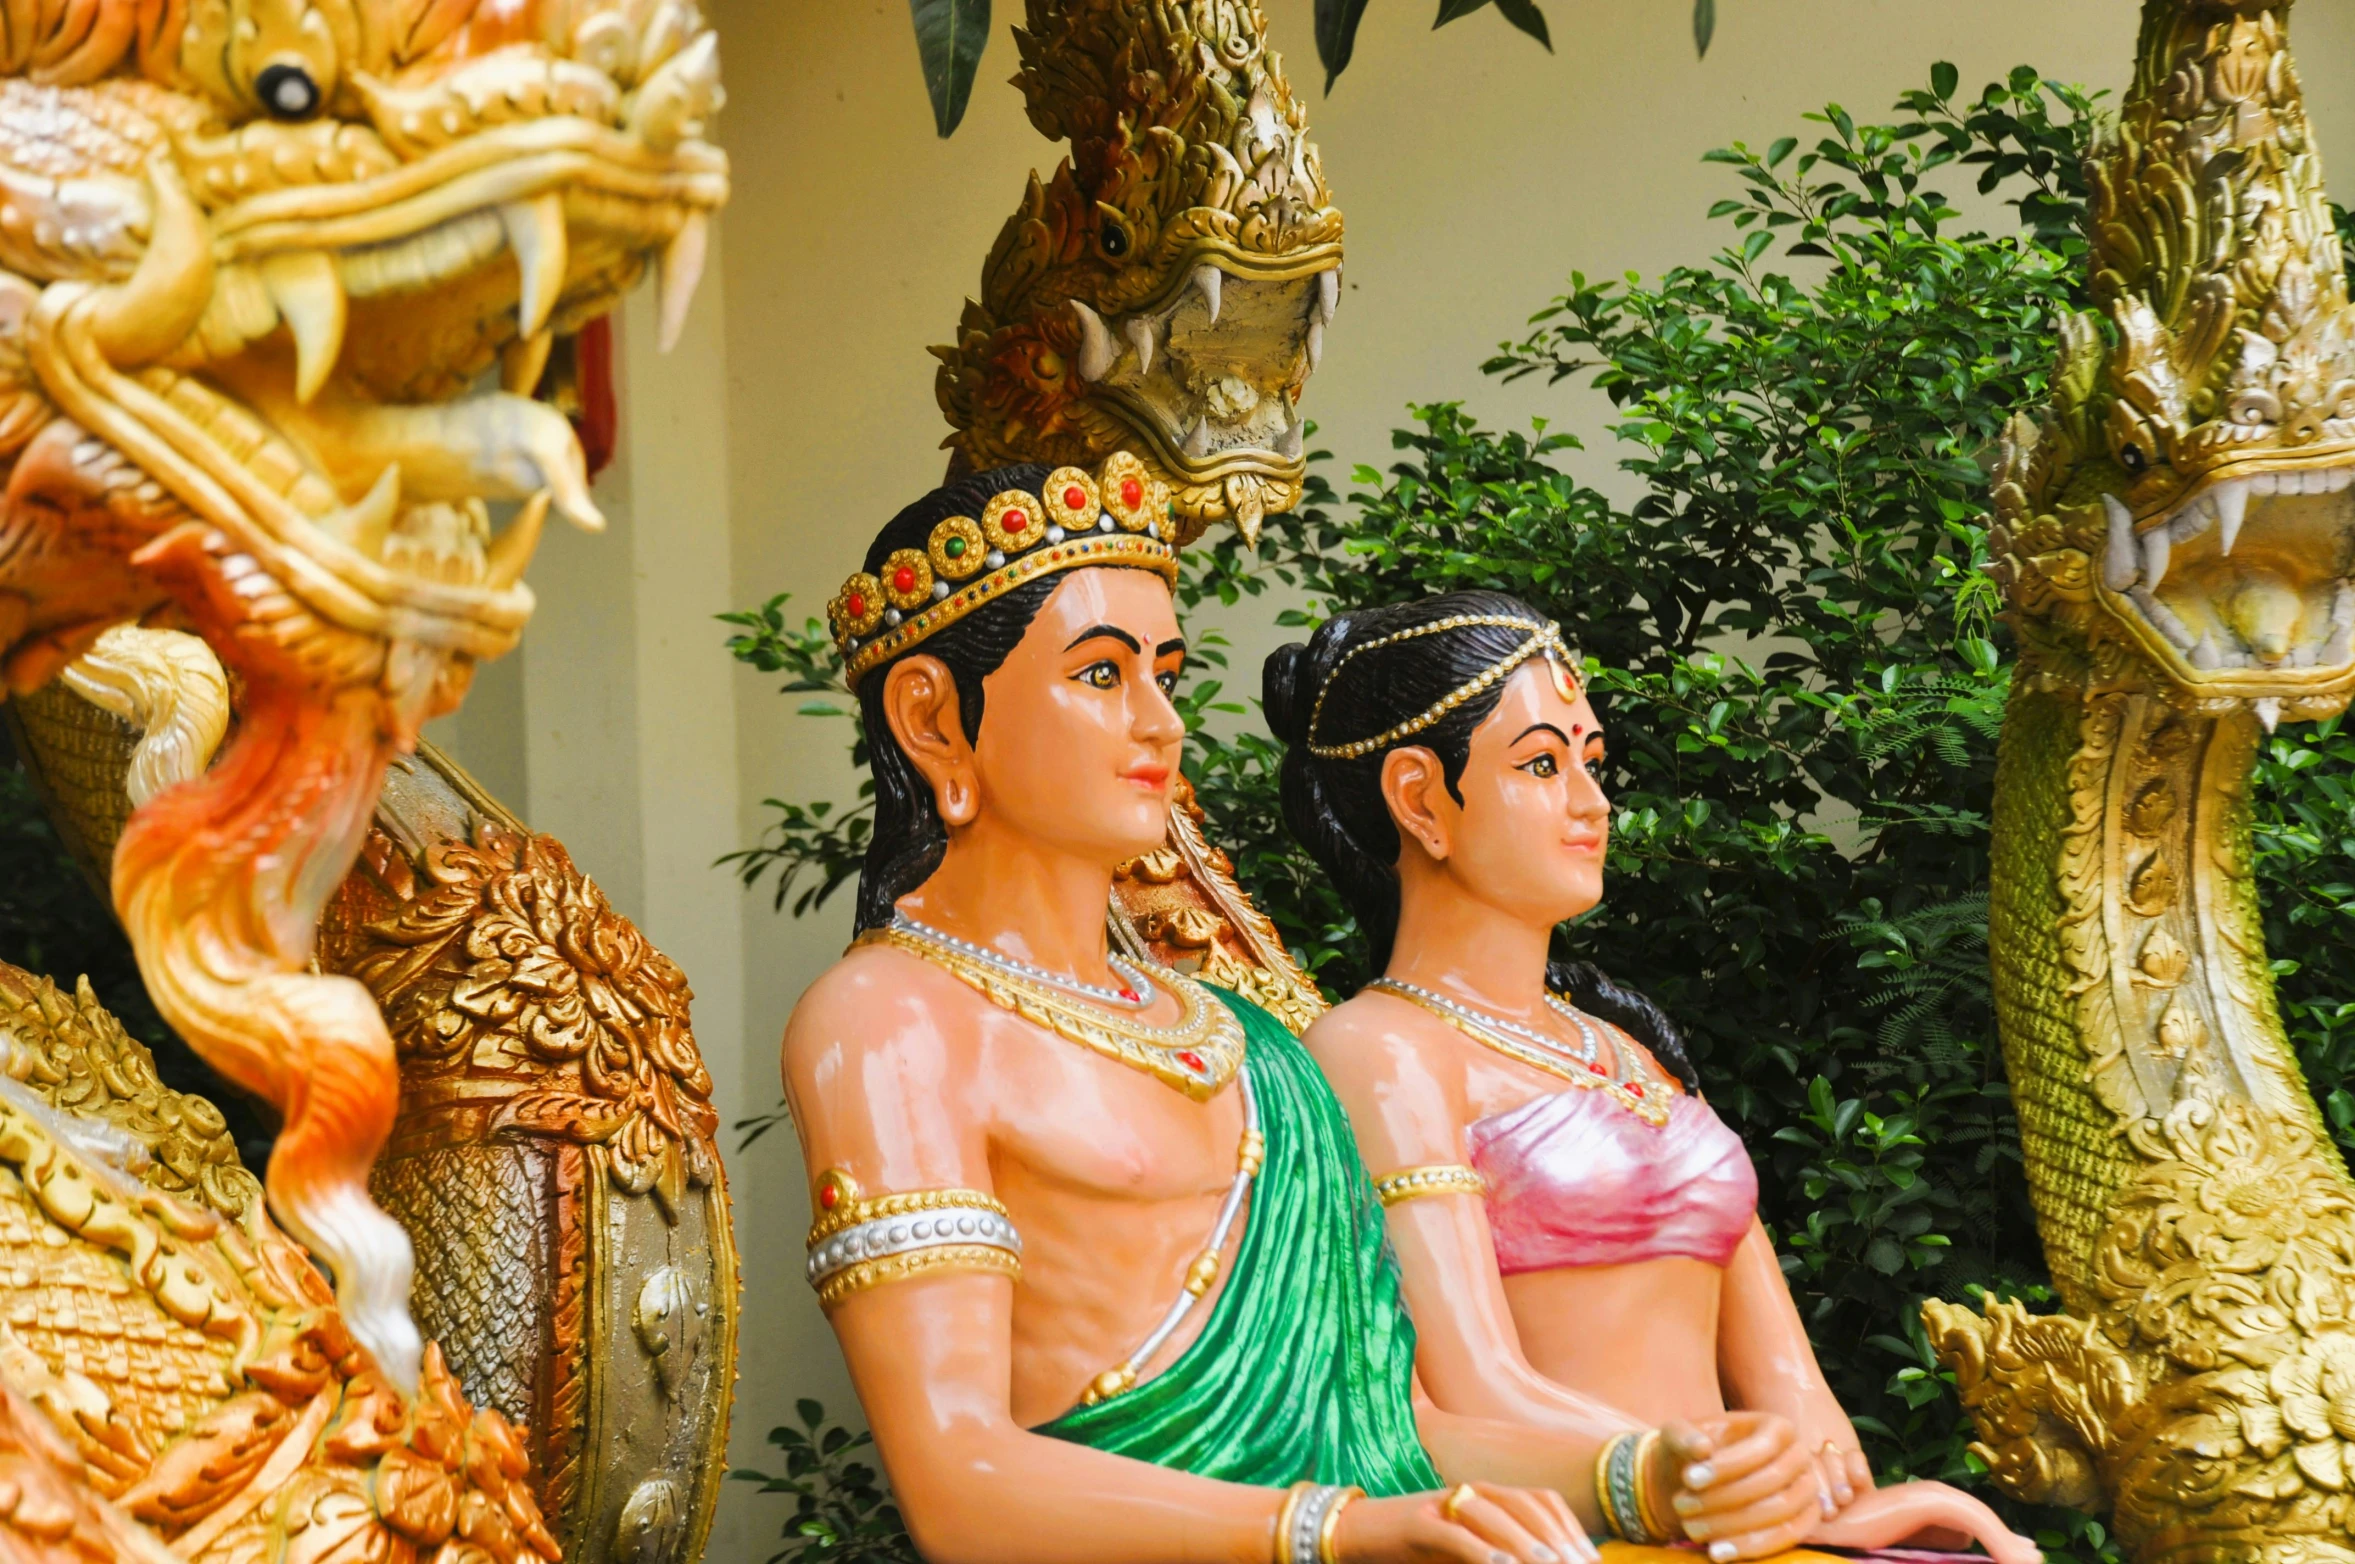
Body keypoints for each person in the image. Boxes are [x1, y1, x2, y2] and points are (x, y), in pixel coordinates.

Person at [781, 460, 1830, 1564]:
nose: (1161, 723)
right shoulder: (891, 1022)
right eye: (1100, 674)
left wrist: (1649, 1474)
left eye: (1169, 675)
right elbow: (959, 1483)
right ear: (934, 718)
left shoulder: (1247, 1042)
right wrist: (1334, 1529)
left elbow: (1400, 1434)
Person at [1262, 592, 2042, 1564]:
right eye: (1542, 765)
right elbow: (1470, 1391)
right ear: (1421, 798)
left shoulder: (1629, 1045)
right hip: (1574, 1530)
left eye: (1591, 763)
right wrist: (1693, 1477)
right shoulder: (1382, 1051)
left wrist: (1854, 1501)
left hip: (1743, 1525)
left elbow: (1792, 1388)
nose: (1593, 801)